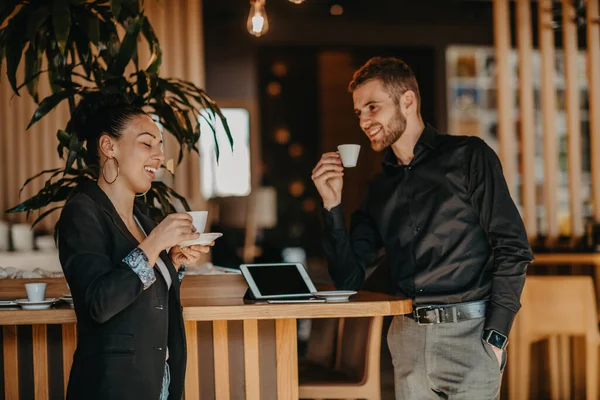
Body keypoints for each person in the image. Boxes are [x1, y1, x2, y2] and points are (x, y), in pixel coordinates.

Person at [311, 57, 533, 399]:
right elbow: (349, 280)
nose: (365, 121)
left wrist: (497, 335)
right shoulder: (378, 189)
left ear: (408, 101)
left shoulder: (469, 156)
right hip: (407, 338)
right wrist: (331, 205)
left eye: (373, 107)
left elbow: (513, 246)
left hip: (472, 337)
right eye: (359, 113)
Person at [57, 92, 212, 400]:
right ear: (108, 146)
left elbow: (149, 297)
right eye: (146, 143)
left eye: (160, 146)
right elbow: (98, 305)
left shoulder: (144, 220)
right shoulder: (82, 211)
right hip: (112, 387)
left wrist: (174, 263)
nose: (158, 155)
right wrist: (153, 246)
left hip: (160, 383)